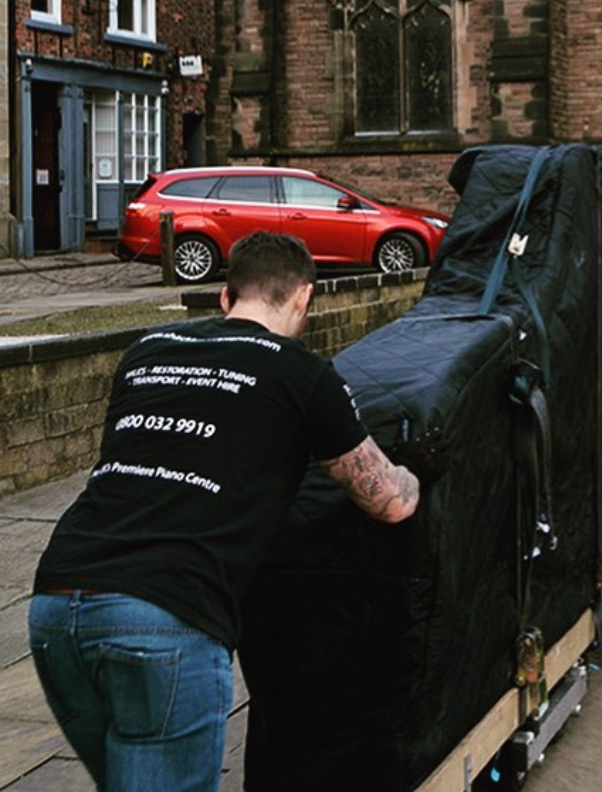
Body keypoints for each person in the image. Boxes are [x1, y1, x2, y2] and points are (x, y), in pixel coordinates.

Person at [28, 230, 425, 792]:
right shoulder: (303, 373)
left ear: (225, 297)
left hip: (55, 608)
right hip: (165, 617)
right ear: (303, 298)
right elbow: (387, 502)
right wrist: (415, 471)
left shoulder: (147, 352)